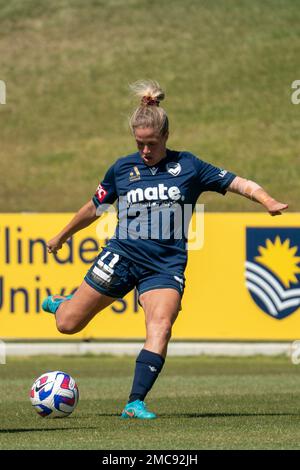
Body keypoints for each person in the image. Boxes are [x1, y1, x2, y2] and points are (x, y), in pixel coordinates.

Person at [42, 80, 288, 419]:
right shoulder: (122, 168)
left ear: (166, 138)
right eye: (139, 143)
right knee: (67, 324)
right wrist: (62, 236)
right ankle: (63, 304)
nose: (144, 150)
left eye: (151, 143)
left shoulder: (189, 167)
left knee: (161, 325)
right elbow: (93, 207)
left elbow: (238, 183)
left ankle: (134, 402)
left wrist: (267, 200)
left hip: (165, 266)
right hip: (122, 256)